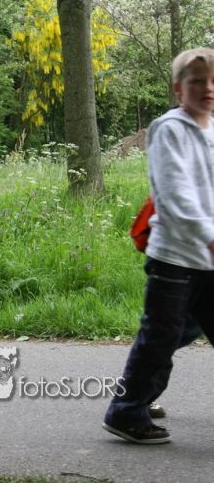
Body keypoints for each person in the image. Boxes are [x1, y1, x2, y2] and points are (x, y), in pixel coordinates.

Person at [103, 47, 214, 444]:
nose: (207, 87)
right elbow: (174, 194)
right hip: (175, 258)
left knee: (173, 332)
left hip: (208, 260)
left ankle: (138, 393)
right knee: (161, 336)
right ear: (178, 88)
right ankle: (126, 411)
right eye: (197, 81)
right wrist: (209, 236)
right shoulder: (168, 129)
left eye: (213, 80)